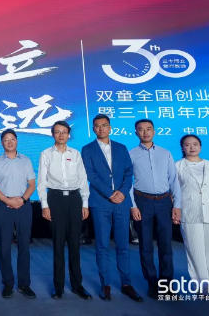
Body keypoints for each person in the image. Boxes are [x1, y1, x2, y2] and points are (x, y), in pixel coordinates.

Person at [82, 114, 142, 302]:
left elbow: (128, 173)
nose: (101, 128)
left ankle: (126, 284)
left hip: (122, 202)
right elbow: (90, 175)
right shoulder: (87, 149)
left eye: (104, 125)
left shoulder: (121, 148)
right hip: (100, 202)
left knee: (123, 245)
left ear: (110, 127)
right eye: (97, 126)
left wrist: (122, 192)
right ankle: (105, 284)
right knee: (102, 245)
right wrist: (109, 193)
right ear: (93, 129)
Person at [37, 120, 91, 300]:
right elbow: (41, 182)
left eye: (64, 132)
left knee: (75, 245)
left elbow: (83, 179)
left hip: (75, 200)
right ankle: (58, 286)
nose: (61, 135)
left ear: (68, 134)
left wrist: (85, 203)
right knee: (58, 245)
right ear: (52, 134)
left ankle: (77, 285)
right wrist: (45, 205)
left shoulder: (75, 154)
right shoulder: (46, 154)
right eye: (57, 132)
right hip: (55, 199)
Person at [129, 119, 181, 299]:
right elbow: (127, 182)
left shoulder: (165, 153)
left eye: (149, 129)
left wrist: (177, 205)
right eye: (141, 129)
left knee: (166, 245)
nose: (145, 132)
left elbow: (174, 180)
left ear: (154, 131)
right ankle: (152, 283)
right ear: (136, 133)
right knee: (145, 245)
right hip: (142, 201)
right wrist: (133, 206)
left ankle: (166, 284)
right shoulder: (131, 154)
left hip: (164, 202)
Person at [176, 135, 209, 300]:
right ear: (182, 148)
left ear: (200, 146)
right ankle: (203, 288)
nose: (192, 147)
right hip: (190, 213)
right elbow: (174, 192)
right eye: (187, 145)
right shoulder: (177, 166)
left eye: (195, 144)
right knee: (195, 252)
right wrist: (175, 210)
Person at [0, 129, 37, 299]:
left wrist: (22, 200)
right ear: (2, 143)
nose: (9, 142)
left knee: (24, 245)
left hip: (23, 205)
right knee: (4, 246)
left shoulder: (26, 160)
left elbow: (32, 184)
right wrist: (8, 201)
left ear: (17, 141)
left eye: (12, 139)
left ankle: (24, 284)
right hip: (4, 206)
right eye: (6, 140)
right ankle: (8, 283)